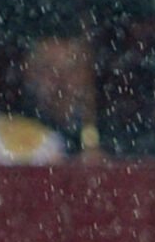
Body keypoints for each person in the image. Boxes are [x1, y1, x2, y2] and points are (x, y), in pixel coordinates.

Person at [21, 29, 103, 158]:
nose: (61, 78)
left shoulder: (113, 125)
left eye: (71, 68)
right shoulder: (13, 126)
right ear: (30, 73)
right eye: (49, 68)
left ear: (88, 72)